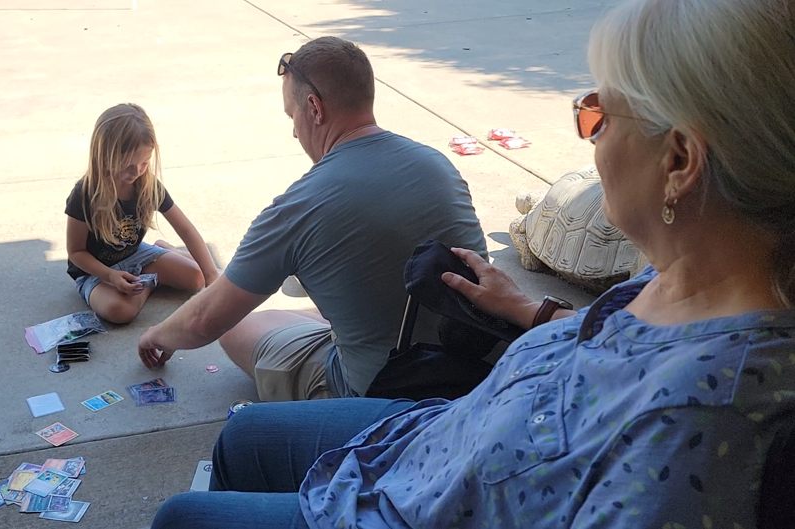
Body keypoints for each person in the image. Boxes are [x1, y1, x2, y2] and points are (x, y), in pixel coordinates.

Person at [149, 0, 795, 527]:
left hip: (431, 496)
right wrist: (530, 310)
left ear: (679, 161)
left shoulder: (699, 417)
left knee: (182, 516)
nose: (591, 136)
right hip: (444, 435)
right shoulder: (690, 273)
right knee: (241, 437)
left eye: (599, 113)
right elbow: (627, 345)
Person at [136, 37, 486, 401]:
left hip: (379, 396)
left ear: (314, 108)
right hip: (474, 376)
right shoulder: (438, 165)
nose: (294, 131)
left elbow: (204, 320)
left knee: (236, 327)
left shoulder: (300, 206)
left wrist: (155, 335)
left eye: (292, 116)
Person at [66, 103, 219, 324]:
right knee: (120, 311)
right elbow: (76, 252)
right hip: (95, 271)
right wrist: (110, 276)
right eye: (128, 165)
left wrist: (211, 275)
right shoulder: (84, 193)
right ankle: (148, 279)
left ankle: (155, 263)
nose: (137, 172)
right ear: (104, 156)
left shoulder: (147, 185)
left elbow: (186, 229)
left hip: (135, 254)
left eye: (144, 163)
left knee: (196, 278)